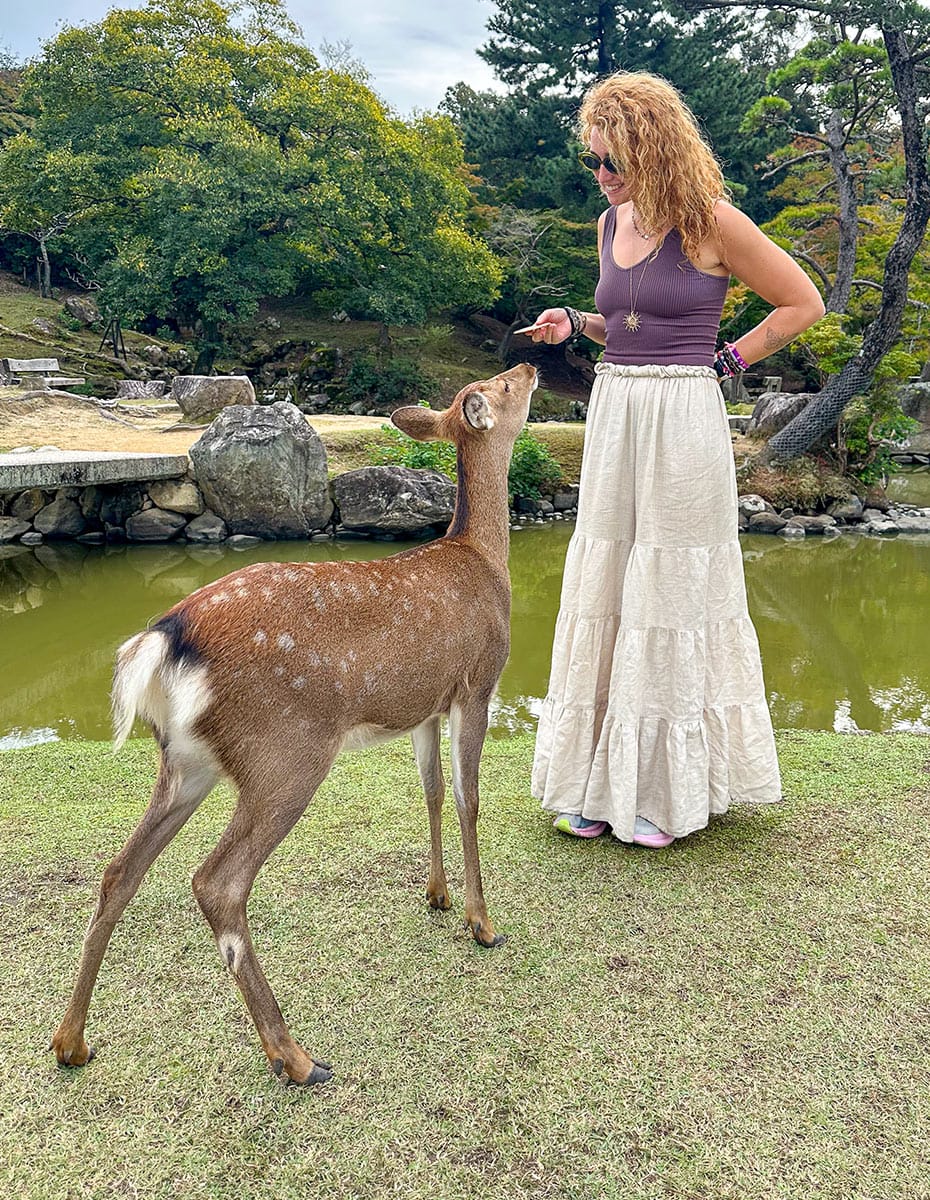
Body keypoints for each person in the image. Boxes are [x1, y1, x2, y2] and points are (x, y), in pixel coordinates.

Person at [524, 72, 824, 849]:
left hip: (686, 420)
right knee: (613, 582)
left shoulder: (712, 223)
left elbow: (802, 305)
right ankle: (597, 784)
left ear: (651, 150)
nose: (602, 175)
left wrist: (724, 363)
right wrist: (575, 323)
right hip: (616, 408)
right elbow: (626, 322)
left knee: (671, 590)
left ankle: (662, 792)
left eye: (613, 161)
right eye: (594, 161)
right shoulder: (606, 221)